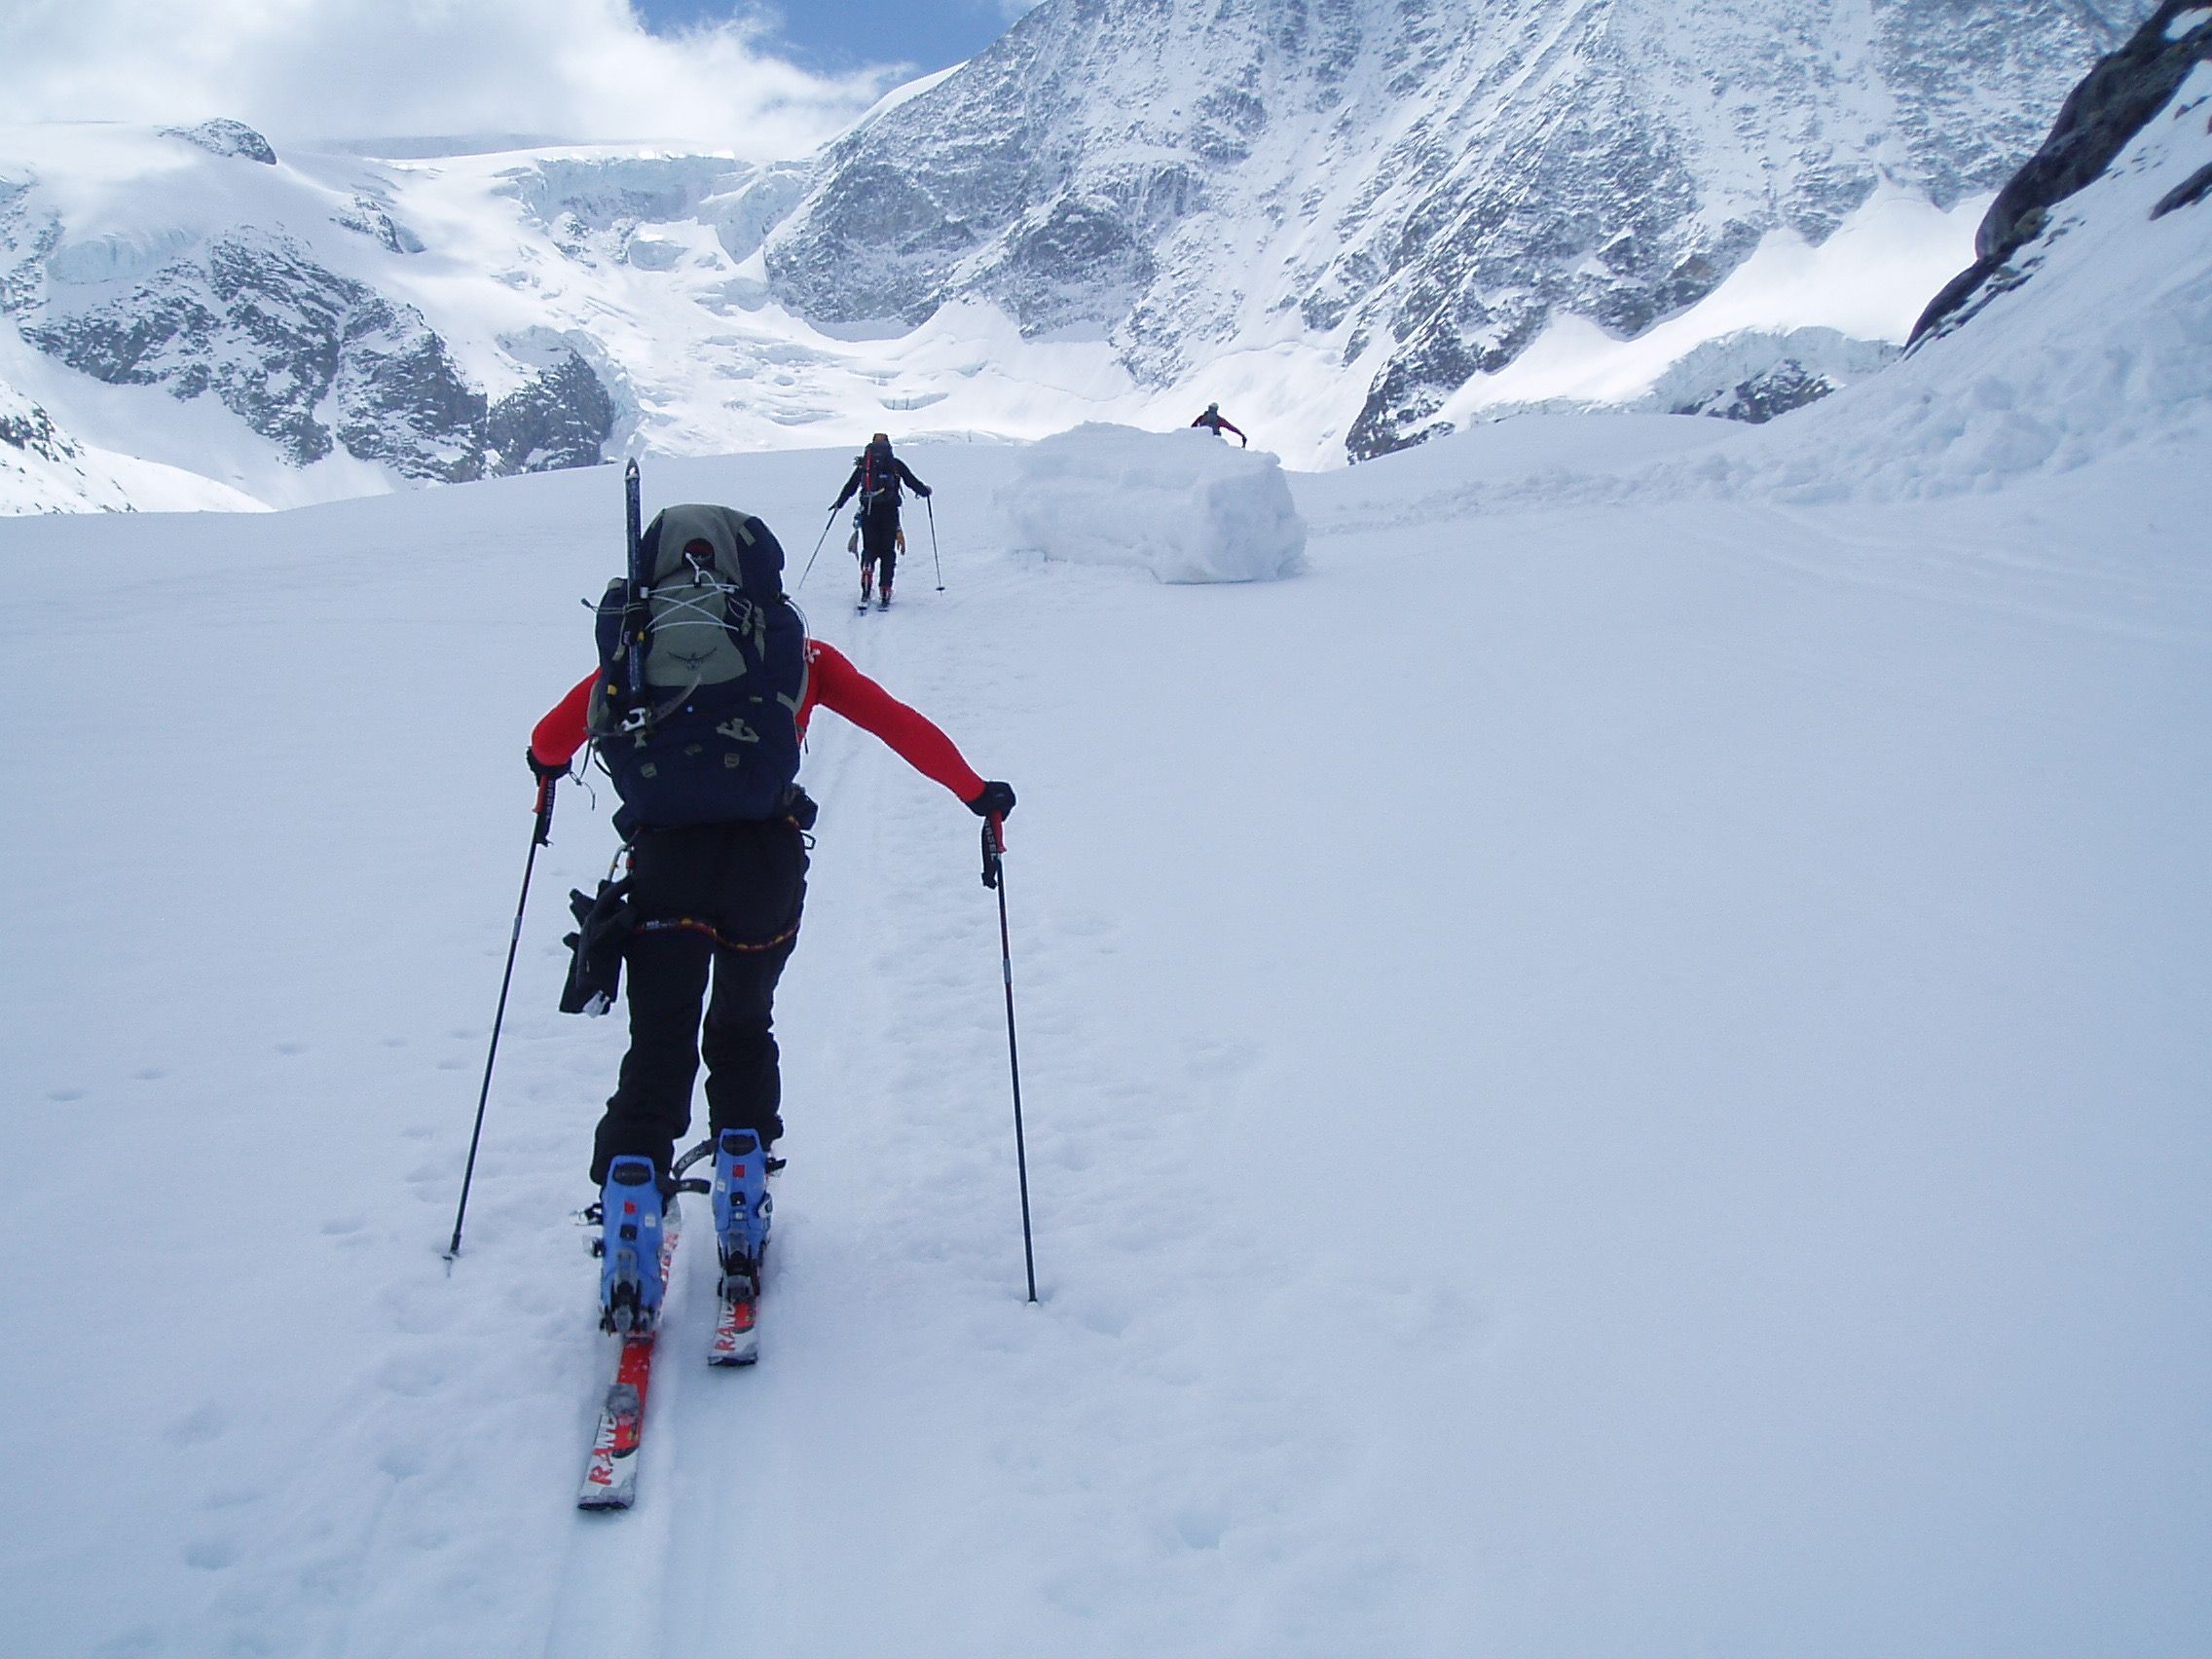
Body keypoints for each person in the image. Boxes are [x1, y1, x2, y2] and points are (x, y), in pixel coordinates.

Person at [527, 500, 1013, 1328]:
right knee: (743, 1027)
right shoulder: (798, 656)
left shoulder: (636, 651)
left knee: (661, 1040)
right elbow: (899, 727)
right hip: (765, 866)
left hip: (664, 867)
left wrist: (544, 775)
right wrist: (979, 795)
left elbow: (549, 740)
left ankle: (633, 1206)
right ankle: (743, 1186)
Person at [830, 432, 931, 608]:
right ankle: (885, 588)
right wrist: (925, 491)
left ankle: (867, 571)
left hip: (868, 511)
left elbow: (851, 486)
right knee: (887, 551)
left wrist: (840, 502)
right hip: (890, 512)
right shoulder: (895, 465)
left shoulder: (865, 466)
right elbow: (912, 482)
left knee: (870, 547)